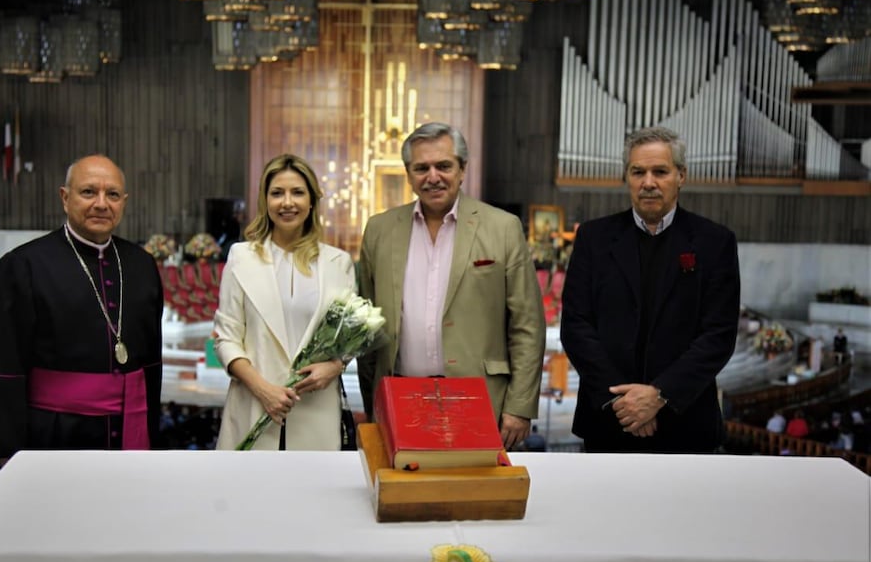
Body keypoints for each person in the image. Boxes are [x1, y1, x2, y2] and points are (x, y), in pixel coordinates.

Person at [357, 122, 545, 450]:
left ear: (462, 169)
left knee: (473, 497)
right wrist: (374, 401)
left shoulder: (502, 227)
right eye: (421, 168)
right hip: (401, 395)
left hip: (481, 398)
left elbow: (527, 325)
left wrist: (519, 407)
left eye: (443, 166)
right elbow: (367, 327)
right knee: (407, 495)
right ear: (409, 173)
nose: (433, 176)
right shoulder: (379, 230)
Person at [561, 126, 740, 453]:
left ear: (681, 175)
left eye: (660, 171)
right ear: (626, 177)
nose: (648, 182)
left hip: (685, 423)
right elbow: (576, 326)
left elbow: (719, 334)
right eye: (638, 171)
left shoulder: (715, 242)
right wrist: (624, 403)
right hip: (608, 420)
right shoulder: (593, 238)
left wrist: (660, 395)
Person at [0, 154, 163, 462]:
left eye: (112, 194)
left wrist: (152, 433)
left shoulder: (142, 265)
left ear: (124, 202)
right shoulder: (23, 266)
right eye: (89, 192)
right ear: (65, 198)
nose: (102, 203)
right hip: (52, 435)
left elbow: (151, 366)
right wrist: (7, 455)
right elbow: (2, 371)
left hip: (131, 432)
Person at [214, 154, 356, 450]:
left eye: (297, 193)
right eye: (277, 193)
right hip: (255, 406)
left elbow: (348, 340)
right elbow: (226, 340)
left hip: (315, 412)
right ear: (265, 201)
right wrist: (263, 390)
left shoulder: (338, 263)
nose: (287, 202)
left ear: (312, 200)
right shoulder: (242, 258)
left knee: (313, 494)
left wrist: (335, 366)